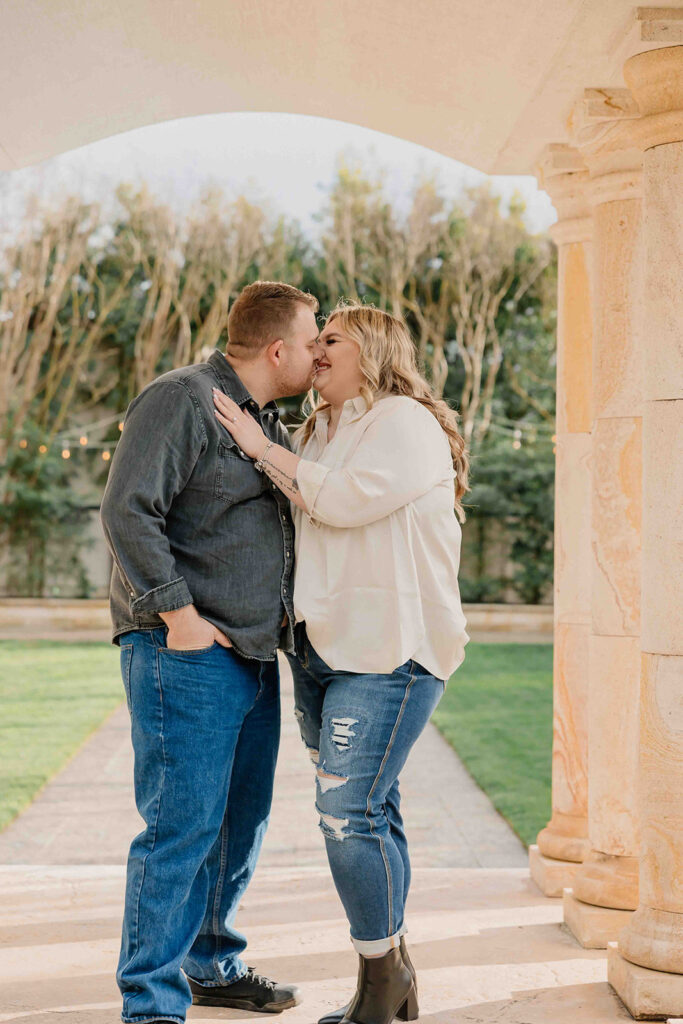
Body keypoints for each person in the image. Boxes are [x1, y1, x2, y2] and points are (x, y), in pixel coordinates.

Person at [213, 302, 470, 1024]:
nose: (314, 349)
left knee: (345, 814)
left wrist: (259, 448)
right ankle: (393, 978)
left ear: (373, 348)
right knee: (368, 809)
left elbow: (350, 502)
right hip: (322, 649)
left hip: (390, 649)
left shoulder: (402, 421)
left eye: (331, 339)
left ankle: (381, 984)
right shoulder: (318, 427)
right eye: (313, 338)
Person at [100, 281, 320, 1024]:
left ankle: (212, 963)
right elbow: (127, 509)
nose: (319, 349)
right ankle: (152, 1005)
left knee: (238, 824)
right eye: (313, 335)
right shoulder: (182, 398)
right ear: (277, 347)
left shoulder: (264, 422)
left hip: (252, 654)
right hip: (185, 652)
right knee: (181, 829)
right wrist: (178, 614)